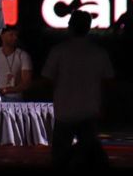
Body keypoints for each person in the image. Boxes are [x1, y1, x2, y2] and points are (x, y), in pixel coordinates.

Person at [42, 10, 113, 170]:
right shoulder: (99, 53)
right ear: (88, 27)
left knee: (60, 161)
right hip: (89, 111)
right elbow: (108, 83)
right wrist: (104, 106)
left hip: (64, 112)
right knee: (91, 160)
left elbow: (47, 79)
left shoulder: (58, 51)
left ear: (70, 26)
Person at [0, 25, 33, 101]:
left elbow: (26, 82)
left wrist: (7, 90)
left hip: (15, 98)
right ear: (2, 36)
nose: (15, 38)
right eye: (11, 35)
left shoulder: (23, 55)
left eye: (16, 35)